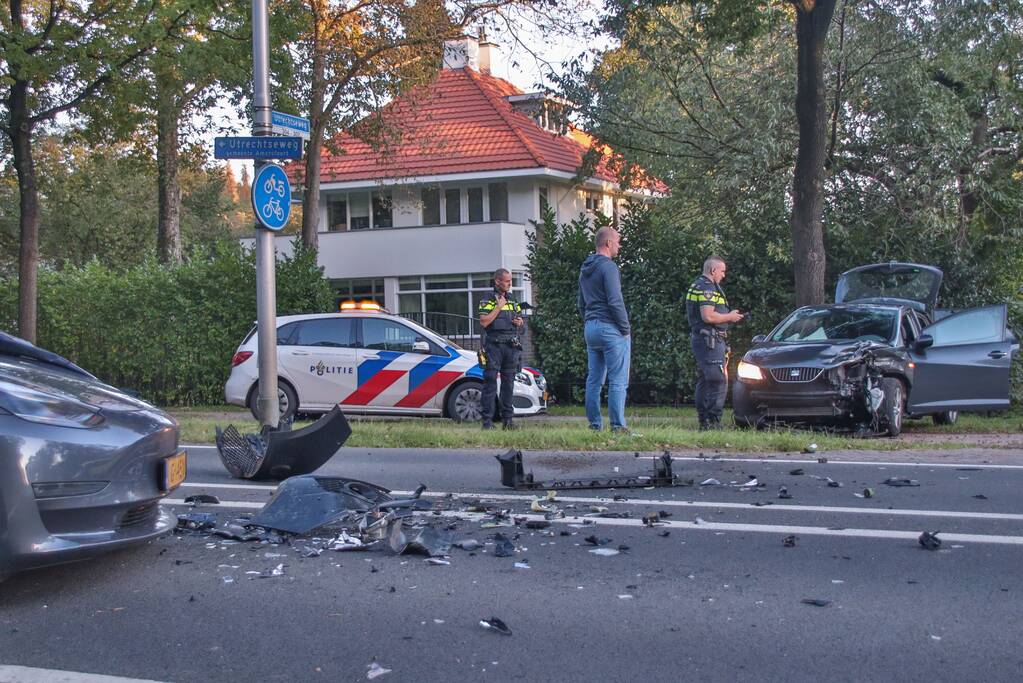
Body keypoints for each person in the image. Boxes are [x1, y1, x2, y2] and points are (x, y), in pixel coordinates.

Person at [578, 226, 632, 433]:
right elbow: (615, 300)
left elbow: (581, 303)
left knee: (594, 379)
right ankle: (618, 426)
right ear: (608, 243)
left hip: (591, 328)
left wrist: (589, 321)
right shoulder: (608, 267)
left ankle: (595, 425)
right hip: (610, 328)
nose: (619, 245)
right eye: (618, 241)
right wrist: (625, 329)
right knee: (618, 380)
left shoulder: (585, 269)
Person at [686, 256, 744, 430]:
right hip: (709, 340)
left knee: (705, 380)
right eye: (722, 271)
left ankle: (704, 422)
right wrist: (730, 317)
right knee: (717, 381)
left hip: (705, 339)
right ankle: (712, 422)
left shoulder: (697, 285)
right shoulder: (707, 288)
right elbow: (708, 316)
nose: (723, 275)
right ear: (713, 270)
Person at [478, 268, 524, 430]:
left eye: (510, 281)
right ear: (497, 281)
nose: (509, 284)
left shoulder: (512, 299)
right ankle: (487, 422)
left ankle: (508, 421)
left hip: (511, 347)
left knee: (508, 385)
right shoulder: (488, 299)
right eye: (506, 281)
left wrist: (520, 323)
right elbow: (484, 322)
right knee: (490, 383)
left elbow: (520, 322)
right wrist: (498, 307)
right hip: (494, 346)